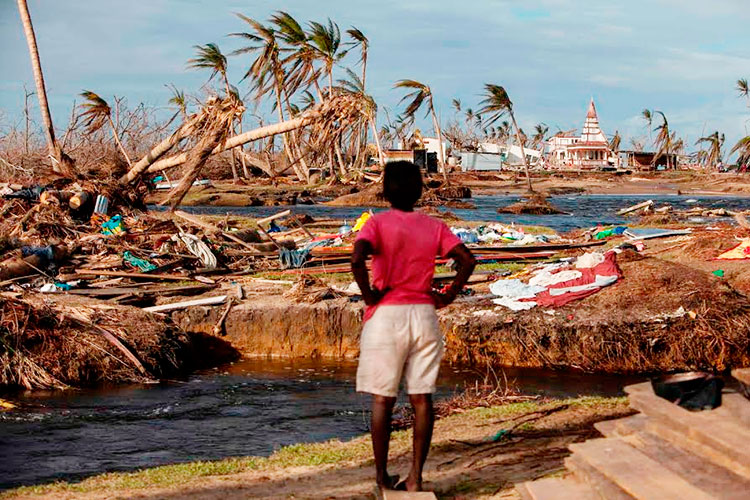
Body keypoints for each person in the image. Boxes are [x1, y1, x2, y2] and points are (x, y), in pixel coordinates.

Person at [351, 160, 476, 492]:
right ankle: (416, 478)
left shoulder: (376, 224)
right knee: (422, 399)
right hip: (423, 314)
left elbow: (356, 257)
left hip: (386, 315)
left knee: (382, 400)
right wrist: (448, 295)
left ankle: (381, 478)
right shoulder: (433, 226)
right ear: (420, 191)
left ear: (385, 191)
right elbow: (467, 260)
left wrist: (368, 294)